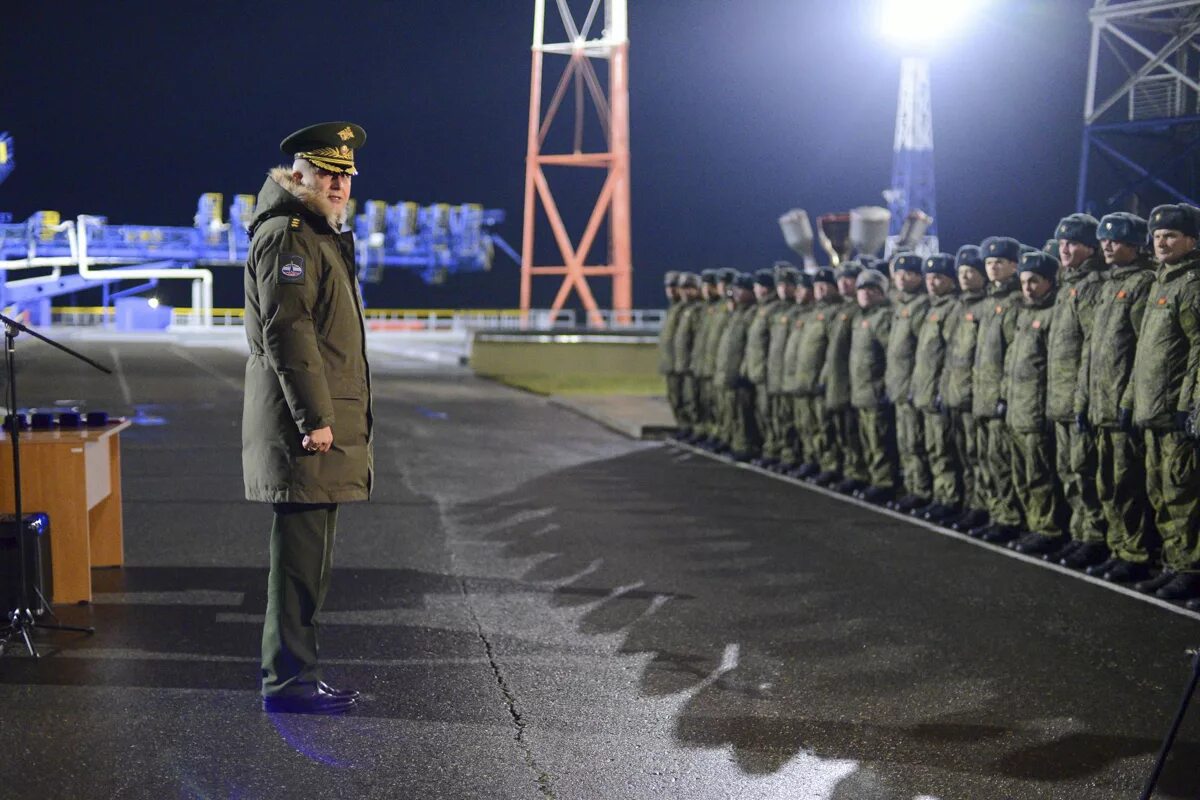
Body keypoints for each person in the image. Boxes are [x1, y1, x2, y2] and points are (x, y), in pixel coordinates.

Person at [243, 121, 372, 715]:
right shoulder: (291, 235)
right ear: (298, 175)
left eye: (345, 172)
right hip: (306, 427)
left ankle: (297, 676)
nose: (339, 182)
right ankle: (289, 683)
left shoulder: (317, 233)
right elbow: (288, 331)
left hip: (318, 424)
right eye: (326, 171)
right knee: (298, 563)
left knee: (309, 561)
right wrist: (316, 418)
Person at [1123, 204, 1200, 603]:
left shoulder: (1191, 284)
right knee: (1160, 492)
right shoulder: (1160, 283)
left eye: (1171, 234)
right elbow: (1144, 353)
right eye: (1157, 235)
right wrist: (1131, 400)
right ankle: (1173, 564)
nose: (1162, 241)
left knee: (1182, 495)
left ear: (1191, 239)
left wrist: (1191, 408)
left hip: (1175, 413)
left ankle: (1191, 570)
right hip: (1152, 411)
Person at [1077, 213, 1157, 579]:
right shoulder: (1109, 285)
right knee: (1105, 482)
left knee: (1127, 484)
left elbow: (1144, 351)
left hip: (1121, 406)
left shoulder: (1142, 284)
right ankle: (1118, 546)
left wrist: (1127, 401)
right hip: (1099, 405)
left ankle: (1136, 553)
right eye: (1105, 240)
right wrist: (1084, 401)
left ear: (1137, 243)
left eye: (1118, 240)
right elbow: (1091, 350)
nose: (1108, 245)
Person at [1043, 214, 1108, 561]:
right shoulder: (1067, 285)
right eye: (1062, 243)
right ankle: (1079, 532)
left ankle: (1094, 538)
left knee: (1084, 471)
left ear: (1090, 247)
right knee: (1068, 471)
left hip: (1078, 399)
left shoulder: (1092, 286)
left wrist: (1082, 399)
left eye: (1073, 244)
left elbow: (1092, 350)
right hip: (1060, 398)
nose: (1065, 249)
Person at [1005, 251, 1068, 554]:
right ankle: (1032, 524)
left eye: (1035, 281)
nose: (1028, 288)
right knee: (1021, 473)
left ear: (1049, 282)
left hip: (1036, 410)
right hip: (1017, 409)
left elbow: (1055, 368)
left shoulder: (1053, 313)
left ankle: (1047, 528)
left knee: (1039, 474)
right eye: (1024, 282)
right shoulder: (1023, 312)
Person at [968, 236, 1026, 544]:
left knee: (1002, 462)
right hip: (982, 395)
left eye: (999, 263)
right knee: (987, 460)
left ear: (1014, 266)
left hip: (999, 399)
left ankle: (1008, 518)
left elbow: (1012, 356)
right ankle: (995, 513)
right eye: (989, 263)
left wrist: (1003, 395)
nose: (992, 268)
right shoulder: (990, 302)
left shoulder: (1015, 302)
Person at [942, 246, 992, 530]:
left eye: (971, 271)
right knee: (963, 455)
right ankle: (970, 503)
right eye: (961, 272)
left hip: (975, 395)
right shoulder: (958, 307)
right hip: (956, 394)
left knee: (980, 455)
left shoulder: (986, 307)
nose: (965, 277)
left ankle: (981, 506)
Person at [909, 253, 961, 523]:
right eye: (929, 278)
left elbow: (951, 355)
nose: (931, 283)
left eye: (938, 277)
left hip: (939, 393)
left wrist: (942, 390)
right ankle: (936, 495)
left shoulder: (951, 309)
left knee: (943, 450)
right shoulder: (932, 308)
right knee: (929, 446)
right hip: (925, 391)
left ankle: (948, 499)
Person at [783, 266, 842, 479]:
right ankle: (812, 460)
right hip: (803, 380)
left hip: (819, 382)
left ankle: (829, 464)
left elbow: (832, 351)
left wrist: (824, 378)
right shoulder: (811, 314)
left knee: (823, 427)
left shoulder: (833, 314)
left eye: (824, 285)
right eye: (817, 286)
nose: (820, 290)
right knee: (806, 425)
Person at [884, 253, 932, 512]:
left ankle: (921, 490)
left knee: (916, 442)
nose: (902, 278)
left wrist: (916, 385)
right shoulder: (902, 305)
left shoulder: (920, 306)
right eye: (898, 274)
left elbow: (921, 352)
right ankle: (912, 486)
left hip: (913, 387)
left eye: (909, 273)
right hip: (899, 386)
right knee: (905, 442)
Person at [819, 264, 870, 492]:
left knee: (854, 432)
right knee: (841, 430)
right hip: (838, 381)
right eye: (841, 279)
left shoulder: (860, 311)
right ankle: (846, 469)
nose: (844, 283)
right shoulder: (843, 310)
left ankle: (857, 472)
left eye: (850, 279)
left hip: (852, 383)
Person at [849, 268, 896, 504]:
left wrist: (887, 387)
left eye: (872, 289)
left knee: (880, 441)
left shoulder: (883, 317)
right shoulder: (861, 318)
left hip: (876, 391)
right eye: (862, 289)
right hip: (861, 390)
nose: (866, 294)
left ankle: (884, 482)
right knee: (867, 439)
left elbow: (892, 355)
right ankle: (872, 477)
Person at [715, 272, 759, 460]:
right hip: (729, 371)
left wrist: (744, 370)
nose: (737, 293)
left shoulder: (752, 313)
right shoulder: (736, 313)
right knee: (731, 411)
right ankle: (733, 442)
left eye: (741, 290)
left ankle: (744, 447)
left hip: (741, 373)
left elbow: (751, 346)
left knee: (743, 414)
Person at [669, 272, 704, 440]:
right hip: (677, 363)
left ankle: (696, 430)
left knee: (693, 400)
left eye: (690, 288)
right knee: (678, 398)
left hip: (691, 364)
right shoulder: (680, 309)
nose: (685, 292)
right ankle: (685, 428)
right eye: (683, 288)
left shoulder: (698, 310)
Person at [658, 271, 684, 426]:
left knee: (686, 398)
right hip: (671, 362)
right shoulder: (674, 309)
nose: (671, 290)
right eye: (668, 286)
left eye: (674, 286)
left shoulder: (686, 309)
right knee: (674, 397)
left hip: (682, 363)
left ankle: (689, 427)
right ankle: (682, 426)